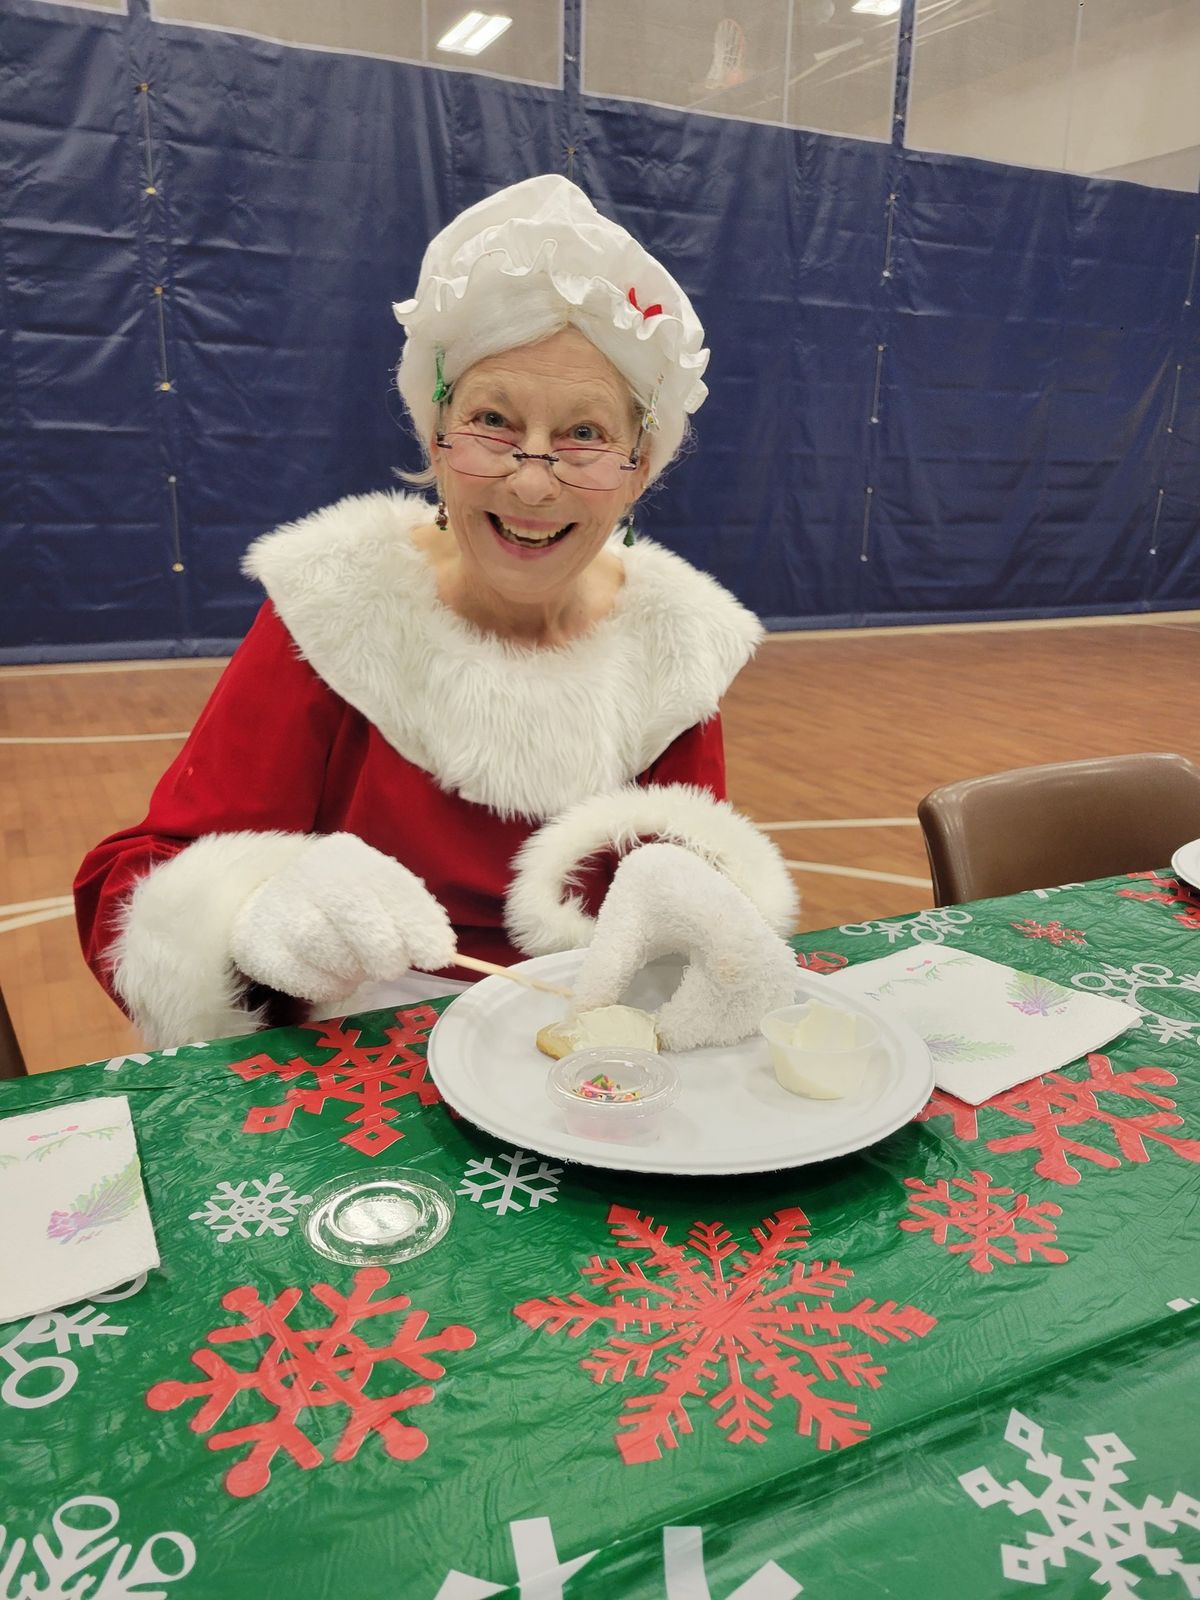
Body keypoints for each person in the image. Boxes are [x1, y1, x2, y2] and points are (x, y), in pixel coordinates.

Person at [74, 174, 797, 1050]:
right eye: (494, 421)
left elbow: (688, 905)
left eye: (584, 434)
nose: (533, 481)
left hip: (579, 1066)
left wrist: (712, 929)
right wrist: (253, 910)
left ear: (638, 468)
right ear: (437, 440)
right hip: (356, 1072)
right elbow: (134, 888)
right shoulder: (338, 607)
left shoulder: (675, 647)